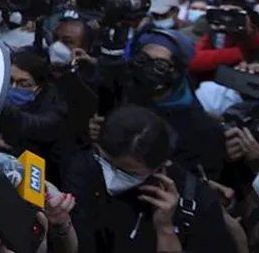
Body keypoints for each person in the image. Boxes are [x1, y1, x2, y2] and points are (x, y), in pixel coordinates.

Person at [62, 105, 236, 253]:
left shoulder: (197, 203)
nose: (111, 175)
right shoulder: (83, 169)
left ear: (160, 166)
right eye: (106, 162)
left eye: (126, 172)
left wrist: (165, 229)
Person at [124, 29, 227, 179]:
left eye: (160, 66)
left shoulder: (201, 129)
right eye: (142, 59)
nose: (148, 69)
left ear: (176, 73)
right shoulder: (122, 96)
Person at [0, 50, 68, 175]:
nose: (14, 87)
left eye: (23, 84)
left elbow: (29, 124)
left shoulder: (55, 110)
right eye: (10, 81)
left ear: (38, 88)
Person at [189, 5, 259, 81]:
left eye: (233, 14)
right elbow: (194, 61)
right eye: (223, 13)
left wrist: (249, 31)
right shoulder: (213, 32)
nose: (227, 18)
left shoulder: (252, 34)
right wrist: (236, 53)